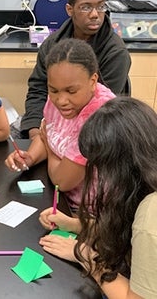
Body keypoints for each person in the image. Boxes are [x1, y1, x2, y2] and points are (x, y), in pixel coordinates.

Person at [39, 97, 157, 298]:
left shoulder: (150, 215)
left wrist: (89, 258)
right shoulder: (146, 183)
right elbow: (125, 232)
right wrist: (74, 225)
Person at [5, 38, 115, 211]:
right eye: (53, 90)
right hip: (61, 197)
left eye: (71, 91)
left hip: (91, 213)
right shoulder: (59, 97)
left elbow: (62, 181)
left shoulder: (100, 118)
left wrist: (49, 148)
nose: (61, 100)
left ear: (93, 81)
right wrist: (31, 157)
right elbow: (47, 132)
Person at [19, 0, 131, 139]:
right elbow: (38, 90)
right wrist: (35, 131)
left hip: (94, 132)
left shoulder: (116, 53)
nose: (95, 14)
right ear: (69, 10)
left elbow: (101, 109)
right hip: (53, 126)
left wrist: (60, 141)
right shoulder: (51, 44)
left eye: (101, 6)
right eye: (86, 7)